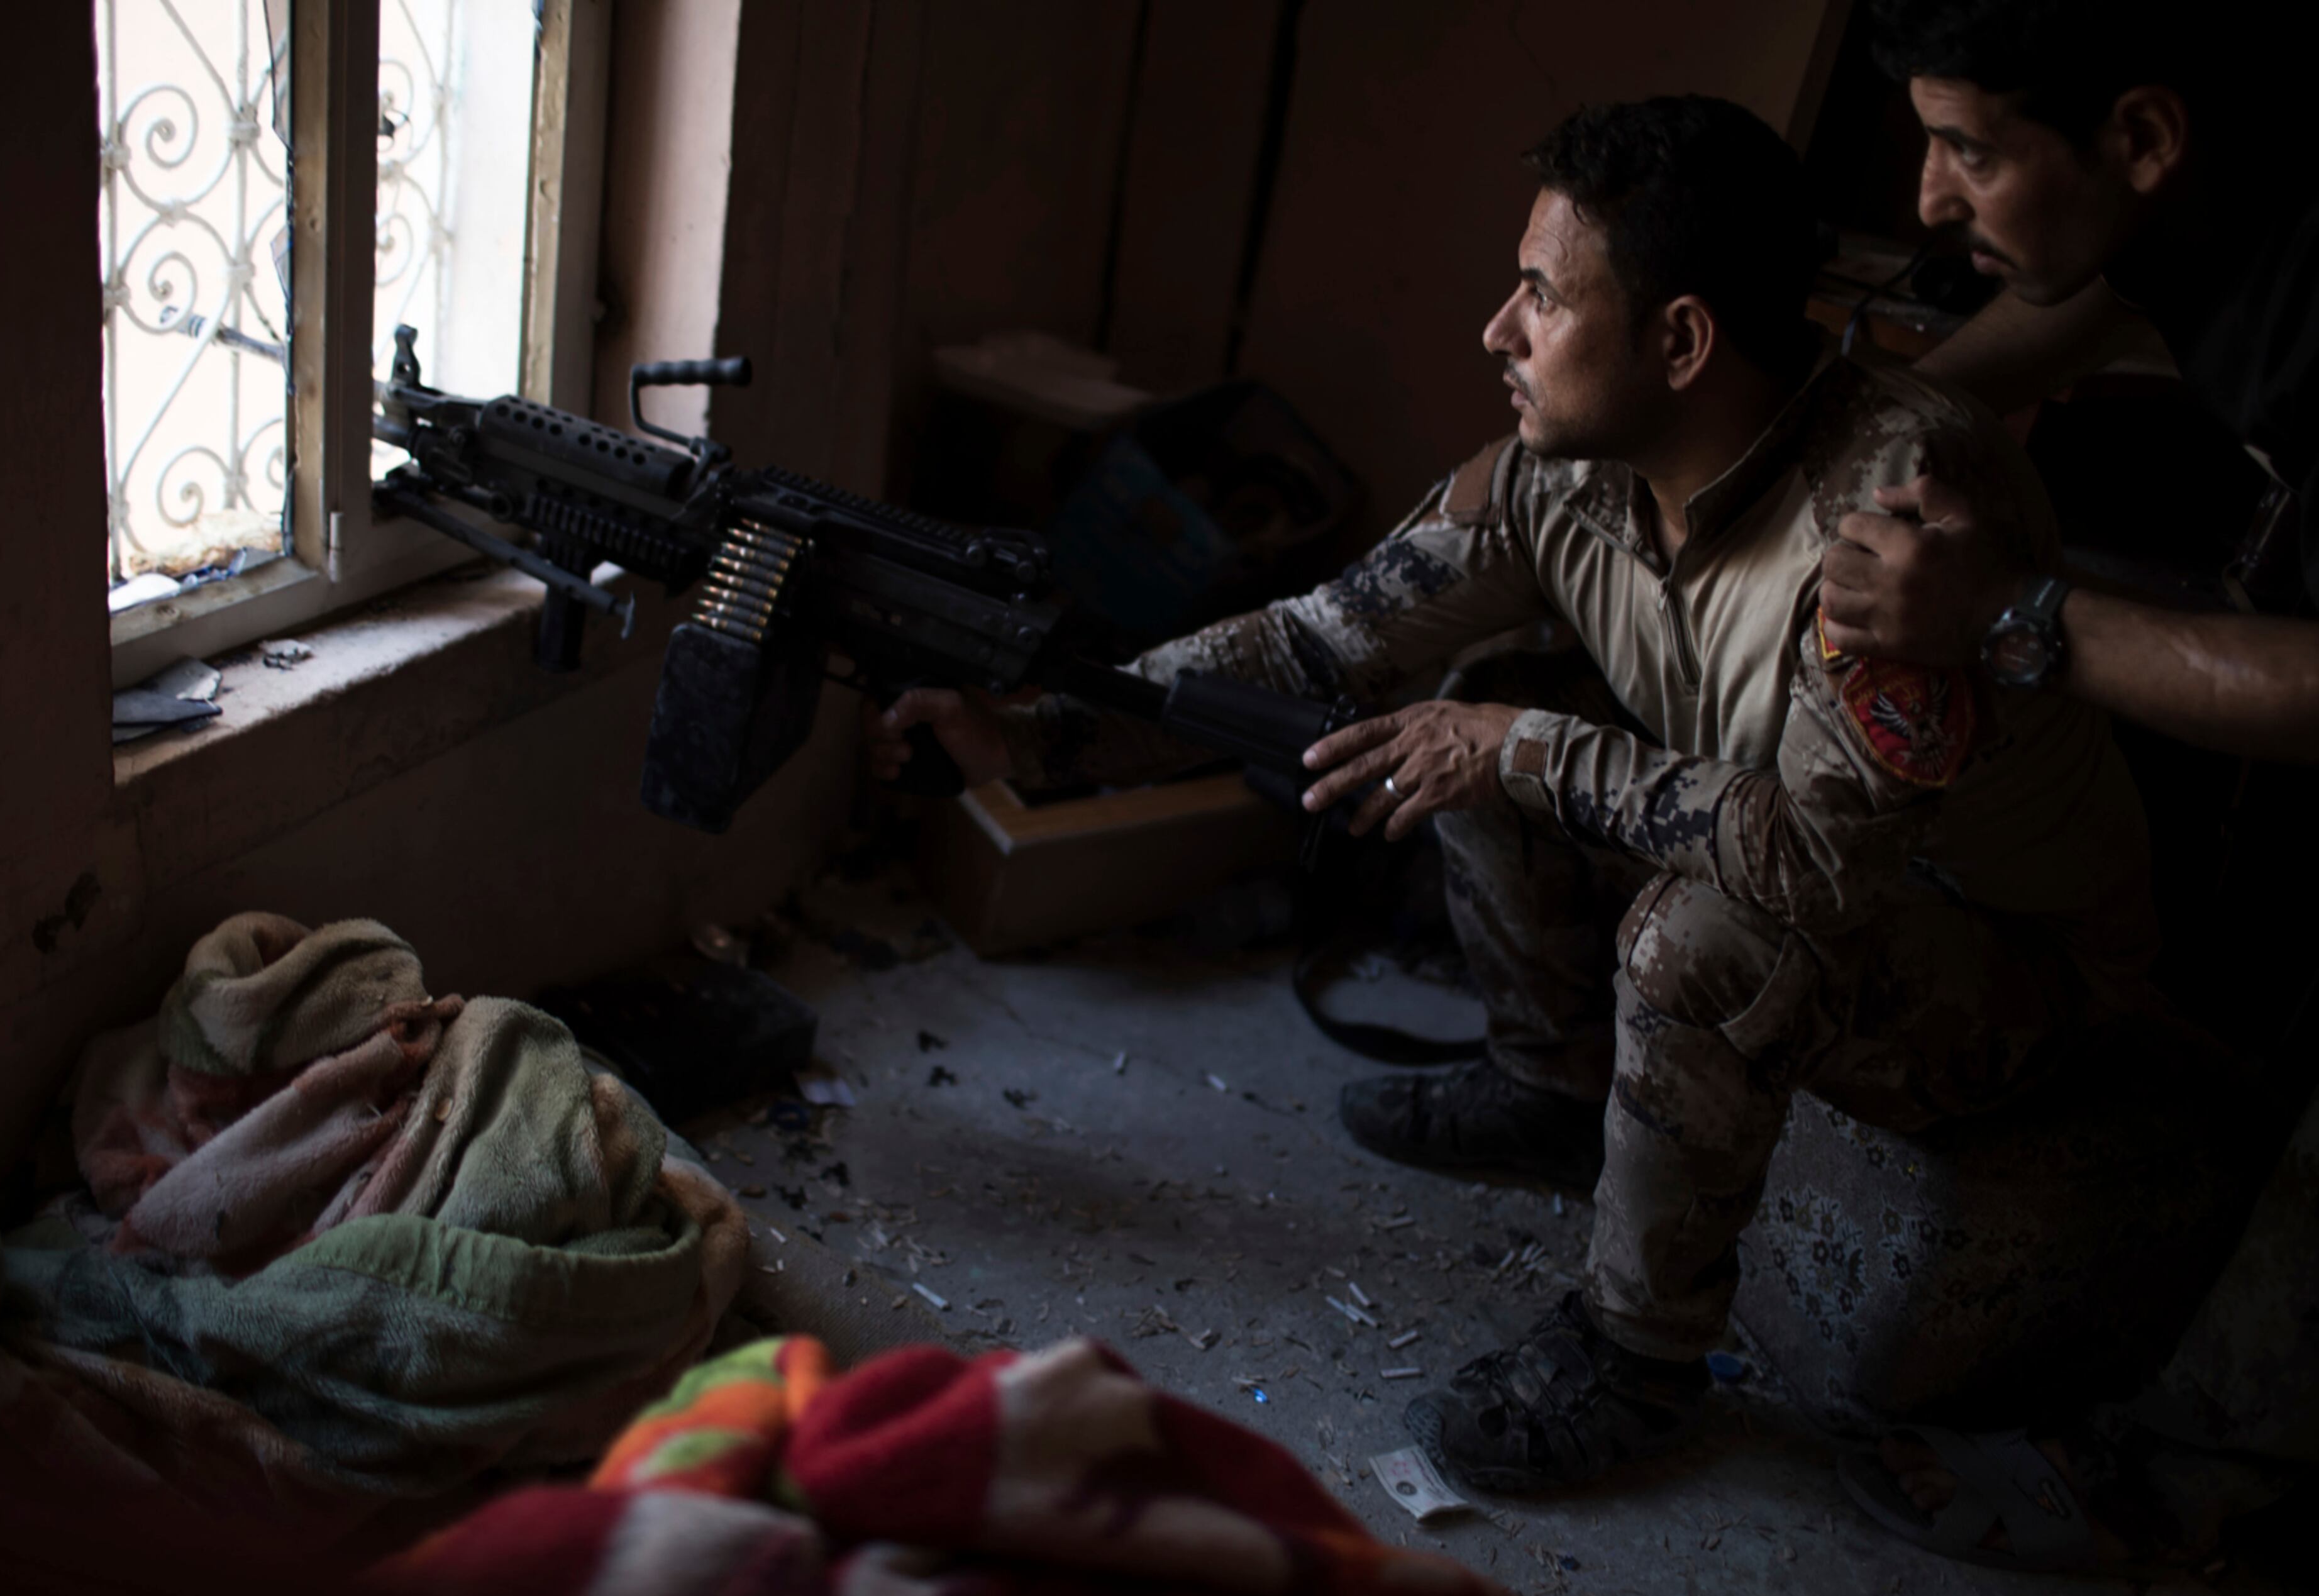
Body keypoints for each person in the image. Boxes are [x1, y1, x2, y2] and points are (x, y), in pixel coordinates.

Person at [868, 94, 2158, 1493]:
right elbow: (1321, 638)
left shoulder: (1899, 516)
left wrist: (1518, 748)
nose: (1500, 329)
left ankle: (1641, 1355)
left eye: (1542, 295)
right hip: (1807, 852)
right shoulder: (1566, 470)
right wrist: (1037, 732)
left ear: (1680, 340)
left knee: (1684, 917)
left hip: (2005, 956)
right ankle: (1556, 1083)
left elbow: (1819, 871)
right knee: (1462, 699)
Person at [1816, 0, 2319, 1571]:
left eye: (1968, 148)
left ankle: (2191, 1493)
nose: (1927, 198)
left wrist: (2016, 620)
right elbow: (2071, 316)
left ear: (2145, 137)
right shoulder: (2207, 204)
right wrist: (1838, 460)